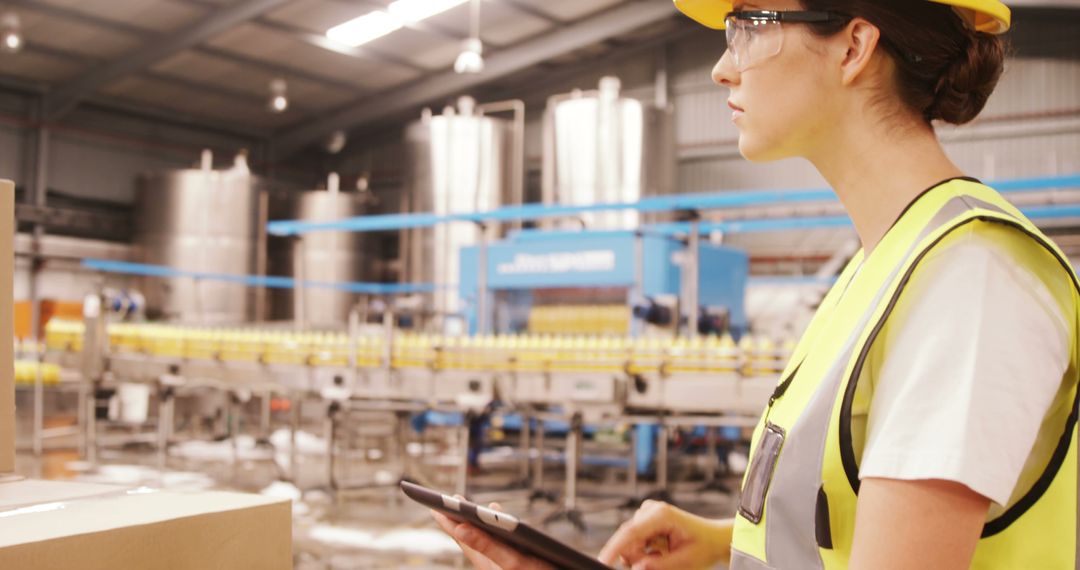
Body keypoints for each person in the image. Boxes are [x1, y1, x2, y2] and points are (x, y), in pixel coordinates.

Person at [434, 0, 1080, 567]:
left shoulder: (969, 278)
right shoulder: (882, 263)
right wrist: (729, 539)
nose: (723, 67)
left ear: (854, 47)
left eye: (748, 26)